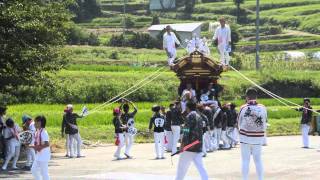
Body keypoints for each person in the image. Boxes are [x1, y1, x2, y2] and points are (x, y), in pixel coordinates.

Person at [238, 88, 267, 180]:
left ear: (246, 97)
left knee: (245, 160)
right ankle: (260, 178)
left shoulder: (243, 108)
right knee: (258, 160)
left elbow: (238, 122)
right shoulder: (262, 108)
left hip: (245, 137)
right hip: (258, 137)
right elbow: (265, 121)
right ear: (256, 97)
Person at [175, 101, 208, 180]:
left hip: (189, 146)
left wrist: (182, 144)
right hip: (198, 144)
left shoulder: (189, 116)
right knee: (201, 167)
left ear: (187, 107)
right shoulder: (199, 116)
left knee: (181, 168)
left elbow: (186, 131)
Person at [30, 115, 51, 180]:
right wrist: (30, 145)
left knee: (44, 173)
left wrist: (36, 147)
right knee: (33, 170)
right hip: (39, 155)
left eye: (36, 121)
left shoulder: (44, 132)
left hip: (44, 155)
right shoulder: (37, 132)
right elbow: (36, 144)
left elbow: (47, 144)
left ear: (40, 123)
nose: (34, 123)